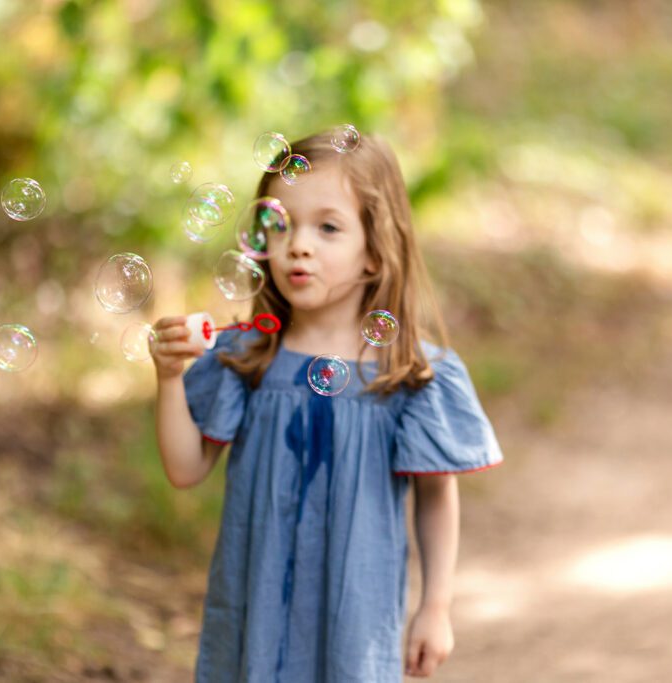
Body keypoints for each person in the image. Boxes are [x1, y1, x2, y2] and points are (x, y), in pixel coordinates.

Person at [151, 131, 503, 682]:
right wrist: (170, 377)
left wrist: (435, 608)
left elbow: (436, 495)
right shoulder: (245, 358)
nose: (299, 245)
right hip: (255, 615)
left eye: (329, 227)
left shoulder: (408, 373)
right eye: (281, 224)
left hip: (354, 622)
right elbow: (184, 468)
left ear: (375, 252)